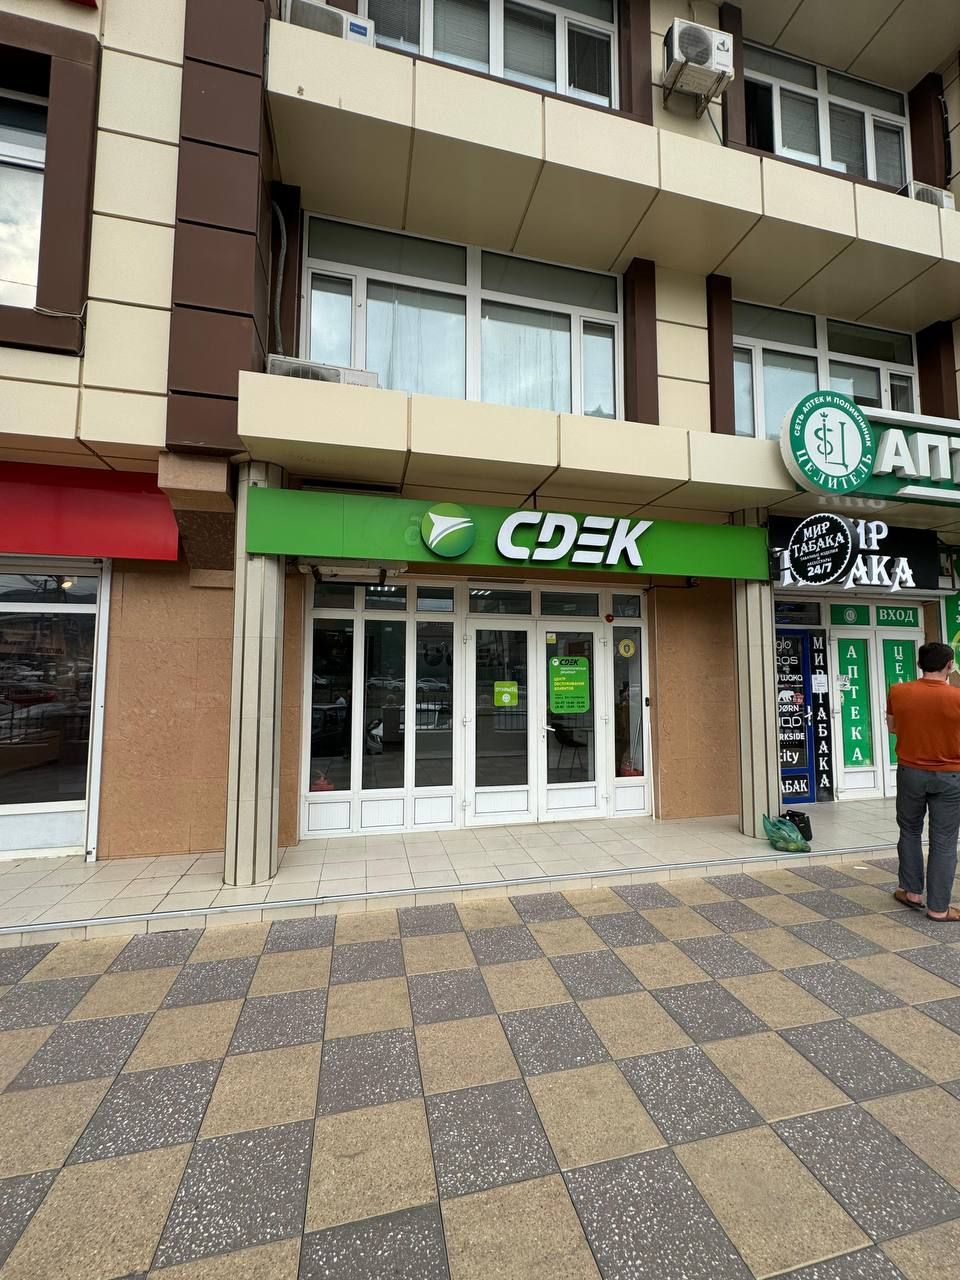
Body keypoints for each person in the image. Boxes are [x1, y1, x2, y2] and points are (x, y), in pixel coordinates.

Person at [887, 641, 960, 922]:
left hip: (910, 772)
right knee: (944, 840)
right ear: (949, 666)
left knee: (909, 830)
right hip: (951, 775)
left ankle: (912, 892)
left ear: (919, 664)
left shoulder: (898, 691)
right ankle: (939, 908)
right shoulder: (957, 696)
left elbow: (893, 727)